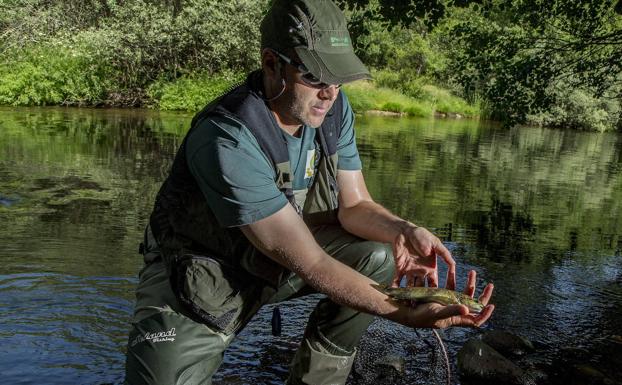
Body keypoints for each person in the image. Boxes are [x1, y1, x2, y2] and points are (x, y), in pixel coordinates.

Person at [124, 0, 495, 384]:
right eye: (316, 77)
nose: (330, 93)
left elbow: (356, 206)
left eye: (338, 79)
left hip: (284, 254)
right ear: (271, 64)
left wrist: (404, 230)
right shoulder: (226, 138)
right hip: (200, 276)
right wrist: (401, 312)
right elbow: (312, 264)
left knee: (377, 255)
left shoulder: (332, 110)